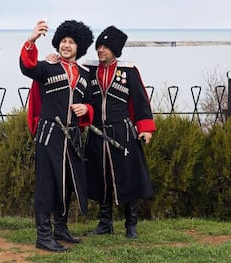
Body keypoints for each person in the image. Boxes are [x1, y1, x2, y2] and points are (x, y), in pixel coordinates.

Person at [19, 19, 94, 252]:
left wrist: (87, 110)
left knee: (69, 183)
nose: (66, 45)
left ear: (79, 46)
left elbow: (91, 102)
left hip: (73, 137)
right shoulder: (47, 67)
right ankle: (43, 235)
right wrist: (31, 40)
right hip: (49, 134)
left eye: (71, 42)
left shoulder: (85, 74)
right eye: (63, 41)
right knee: (46, 185)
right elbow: (27, 67)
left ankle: (60, 229)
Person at [83, 26, 156, 238]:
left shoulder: (129, 71)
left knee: (128, 178)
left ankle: (130, 224)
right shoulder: (89, 70)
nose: (101, 50)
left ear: (115, 49)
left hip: (122, 134)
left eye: (105, 47)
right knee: (101, 177)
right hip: (97, 134)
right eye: (99, 46)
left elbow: (141, 101)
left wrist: (145, 129)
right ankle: (105, 223)